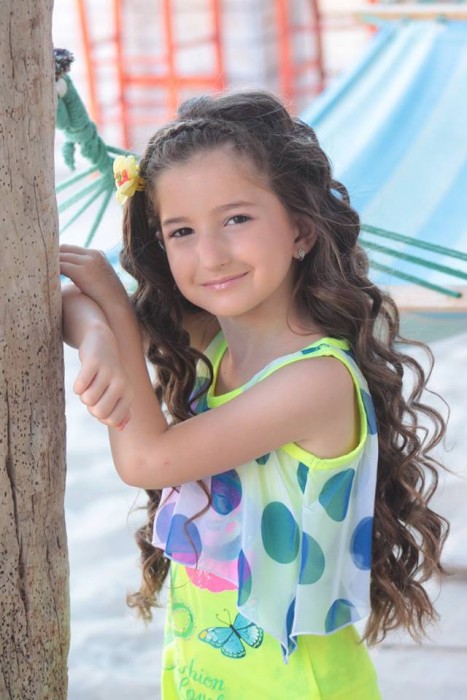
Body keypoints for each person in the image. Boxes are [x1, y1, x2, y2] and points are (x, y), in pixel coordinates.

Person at [60, 90, 448, 699]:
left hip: (299, 687)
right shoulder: (216, 339)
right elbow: (67, 304)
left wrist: (112, 305)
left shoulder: (316, 380)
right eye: (182, 230)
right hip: (204, 675)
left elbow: (146, 460)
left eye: (236, 219)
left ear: (301, 230)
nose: (211, 255)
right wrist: (100, 340)